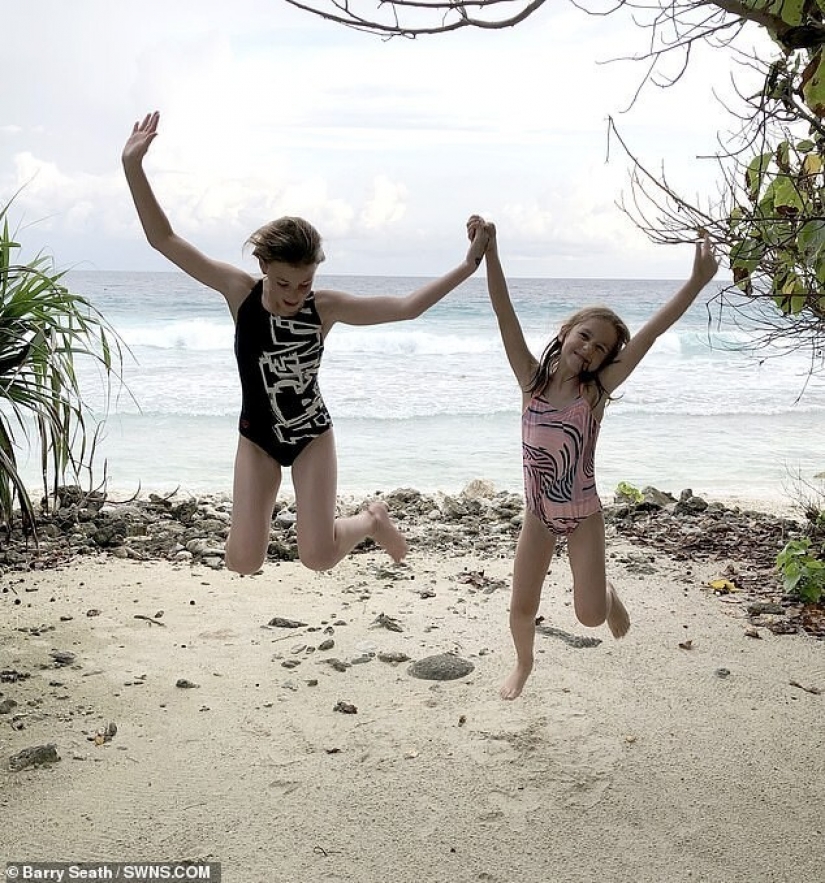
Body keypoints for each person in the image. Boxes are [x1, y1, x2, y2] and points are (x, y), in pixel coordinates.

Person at [122, 111, 488, 575]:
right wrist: (133, 167)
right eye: (284, 283)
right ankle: (366, 518)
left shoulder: (325, 308)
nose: (296, 294)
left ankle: (371, 519)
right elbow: (164, 238)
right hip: (257, 438)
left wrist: (468, 265)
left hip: (311, 436)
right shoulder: (241, 294)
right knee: (242, 562)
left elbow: (406, 307)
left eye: (305, 282)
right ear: (262, 267)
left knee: (316, 556)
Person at [474, 216, 719, 699]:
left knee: (588, 616)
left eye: (601, 347)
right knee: (521, 607)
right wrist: (492, 252)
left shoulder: (596, 394)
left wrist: (695, 282)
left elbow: (648, 335)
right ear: (566, 332)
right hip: (538, 518)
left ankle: (607, 596)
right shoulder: (530, 382)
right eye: (585, 335)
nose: (589, 348)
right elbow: (505, 313)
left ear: (606, 361)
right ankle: (523, 666)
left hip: (584, 517)